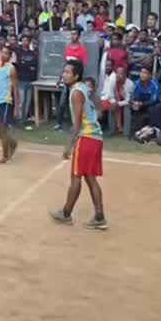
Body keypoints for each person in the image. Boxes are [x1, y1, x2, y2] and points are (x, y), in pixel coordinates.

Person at [50, 59, 107, 229]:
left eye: (68, 72)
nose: (64, 75)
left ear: (76, 75)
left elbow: (76, 123)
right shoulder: (82, 88)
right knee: (90, 178)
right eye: (64, 71)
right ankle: (99, 216)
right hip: (95, 137)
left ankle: (66, 214)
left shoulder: (75, 92)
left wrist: (68, 146)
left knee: (76, 177)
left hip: (87, 138)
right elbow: (96, 106)